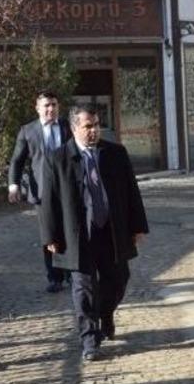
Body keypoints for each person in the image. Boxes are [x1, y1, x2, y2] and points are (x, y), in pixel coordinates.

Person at [40, 105, 149, 361]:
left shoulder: (116, 154)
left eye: (97, 124)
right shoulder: (57, 158)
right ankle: (89, 340)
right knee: (84, 287)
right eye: (88, 126)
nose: (94, 130)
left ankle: (106, 314)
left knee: (119, 279)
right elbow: (49, 202)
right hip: (78, 235)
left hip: (111, 232)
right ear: (74, 128)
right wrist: (50, 237)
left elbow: (132, 192)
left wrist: (137, 226)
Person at [8, 90, 72, 293]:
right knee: (49, 234)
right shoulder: (28, 131)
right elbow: (17, 160)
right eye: (46, 105)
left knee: (71, 230)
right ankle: (54, 277)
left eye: (54, 104)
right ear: (38, 108)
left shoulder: (67, 127)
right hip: (42, 190)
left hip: (67, 187)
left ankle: (72, 273)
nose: (50, 109)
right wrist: (13, 185)